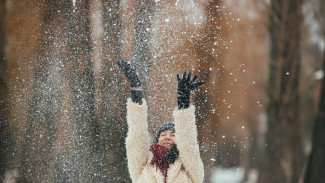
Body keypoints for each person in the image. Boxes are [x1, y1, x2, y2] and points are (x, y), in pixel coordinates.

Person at [117, 60, 205, 183]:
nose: (167, 137)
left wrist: (183, 103)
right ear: (157, 140)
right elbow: (136, 137)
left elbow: (188, 143)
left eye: (173, 135)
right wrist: (136, 91)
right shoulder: (143, 165)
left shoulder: (188, 168)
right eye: (163, 135)